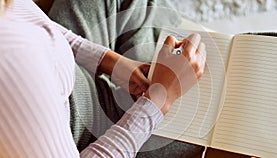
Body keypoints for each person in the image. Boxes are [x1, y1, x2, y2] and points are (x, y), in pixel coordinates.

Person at [0, 0, 206, 157]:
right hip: (93, 135)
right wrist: (160, 97)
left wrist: (111, 63)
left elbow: (33, 22)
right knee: (218, 122)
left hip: (68, 75)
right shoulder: (12, 63)